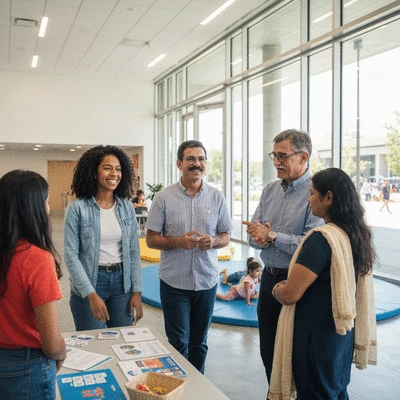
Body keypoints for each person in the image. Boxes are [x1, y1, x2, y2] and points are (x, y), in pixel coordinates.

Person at [268, 168, 377, 400]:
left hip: (314, 340)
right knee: (335, 391)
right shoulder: (356, 235)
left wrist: (278, 289)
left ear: (328, 198)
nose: (308, 199)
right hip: (340, 335)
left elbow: (291, 294)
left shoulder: (321, 240)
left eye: (312, 193)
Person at [242, 129, 324, 384]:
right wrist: (258, 236)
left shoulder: (318, 194)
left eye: (283, 156)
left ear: (303, 157)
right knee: (268, 348)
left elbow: (312, 244)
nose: (276, 162)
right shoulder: (269, 191)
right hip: (269, 280)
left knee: (299, 352)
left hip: (301, 284)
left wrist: (273, 236)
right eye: (273, 155)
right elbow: (253, 233)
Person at [146, 140, 232, 374]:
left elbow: (226, 236)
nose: (197, 164)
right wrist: (178, 242)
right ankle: (179, 386)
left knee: (199, 343)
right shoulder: (163, 198)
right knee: (178, 343)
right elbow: (151, 239)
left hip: (206, 282)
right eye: (191, 159)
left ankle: (197, 388)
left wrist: (213, 241)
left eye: (201, 159)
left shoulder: (217, 197)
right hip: (174, 283)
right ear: (179, 163)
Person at [0, 170, 66, 399]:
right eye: (46, 202)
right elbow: (51, 341)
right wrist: (60, 353)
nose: (48, 209)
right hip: (27, 366)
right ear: (34, 208)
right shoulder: (36, 258)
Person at [64, 145, 143, 331]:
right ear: (93, 172)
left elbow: (133, 251)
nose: (114, 173)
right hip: (90, 282)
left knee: (122, 341)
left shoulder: (125, 207)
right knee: (93, 344)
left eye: (118, 169)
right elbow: (71, 255)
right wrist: (91, 295)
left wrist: (137, 291)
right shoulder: (77, 208)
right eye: (107, 168)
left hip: (121, 284)